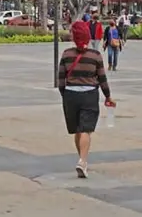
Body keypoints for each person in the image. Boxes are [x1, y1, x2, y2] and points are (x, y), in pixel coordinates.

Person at [57, 20, 114, 179]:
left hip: (70, 95)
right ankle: (82, 161)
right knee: (85, 129)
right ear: (88, 37)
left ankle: (82, 160)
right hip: (89, 95)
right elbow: (102, 78)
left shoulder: (67, 54)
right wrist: (108, 96)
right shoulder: (95, 56)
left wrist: (65, 94)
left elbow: (61, 79)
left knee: (77, 129)